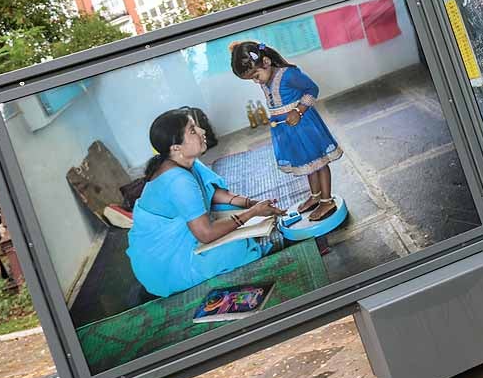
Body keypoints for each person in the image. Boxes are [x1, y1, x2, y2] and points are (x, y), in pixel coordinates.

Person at [127, 108, 285, 297]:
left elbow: (213, 192)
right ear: (175, 147)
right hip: (163, 263)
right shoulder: (178, 181)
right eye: (192, 130)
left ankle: (246, 233)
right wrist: (252, 214)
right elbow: (206, 234)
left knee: (230, 207)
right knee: (233, 251)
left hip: (181, 236)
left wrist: (251, 204)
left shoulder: (184, 161)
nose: (202, 132)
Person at [231, 41, 343, 221]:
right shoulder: (266, 79)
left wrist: (298, 111)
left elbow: (312, 89)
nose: (255, 81)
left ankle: (326, 200)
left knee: (319, 162)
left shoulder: (289, 75)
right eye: (251, 78)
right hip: (287, 130)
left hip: (304, 126)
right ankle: (315, 197)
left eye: (256, 75)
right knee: (307, 163)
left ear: (266, 62)